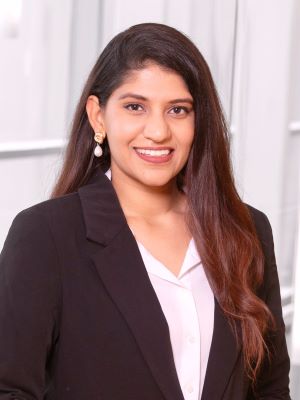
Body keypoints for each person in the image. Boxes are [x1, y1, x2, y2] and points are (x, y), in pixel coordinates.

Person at [0, 22, 290, 400]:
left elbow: (269, 389)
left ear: (198, 120)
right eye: (135, 107)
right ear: (98, 116)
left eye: (178, 110)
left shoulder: (244, 228)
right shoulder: (46, 235)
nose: (157, 131)